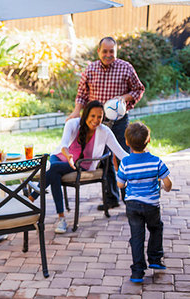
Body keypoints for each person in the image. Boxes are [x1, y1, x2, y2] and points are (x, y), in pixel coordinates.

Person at [66, 36, 145, 211]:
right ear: (99, 51)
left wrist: (124, 98)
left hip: (119, 121)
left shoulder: (126, 68)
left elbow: (138, 89)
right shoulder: (91, 69)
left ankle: (130, 200)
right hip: (96, 122)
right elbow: (81, 94)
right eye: (105, 51)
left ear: (116, 51)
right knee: (104, 160)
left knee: (123, 157)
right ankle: (111, 198)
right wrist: (76, 111)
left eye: (112, 51)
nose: (108, 55)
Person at [29, 101, 129, 233]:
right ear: (85, 115)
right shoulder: (72, 124)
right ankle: (60, 218)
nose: (96, 120)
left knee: (53, 171)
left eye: (100, 117)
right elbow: (64, 144)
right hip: (60, 157)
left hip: (81, 165)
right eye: (92, 116)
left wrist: (141, 159)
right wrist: (68, 155)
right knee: (54, 172)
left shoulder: (105, 131)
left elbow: (121, 153)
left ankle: (31, 198)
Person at [116, 122, 172, 283]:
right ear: (148, 141)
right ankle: (155, 258)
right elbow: (167, 183)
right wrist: (165, 187)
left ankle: (137, 271)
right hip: (151, 206)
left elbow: (120, 183)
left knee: (137, 236)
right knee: (155, 228)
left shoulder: (126, 162)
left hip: (132, 205)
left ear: (127, 142)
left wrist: (127, 183)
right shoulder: (156, 161)